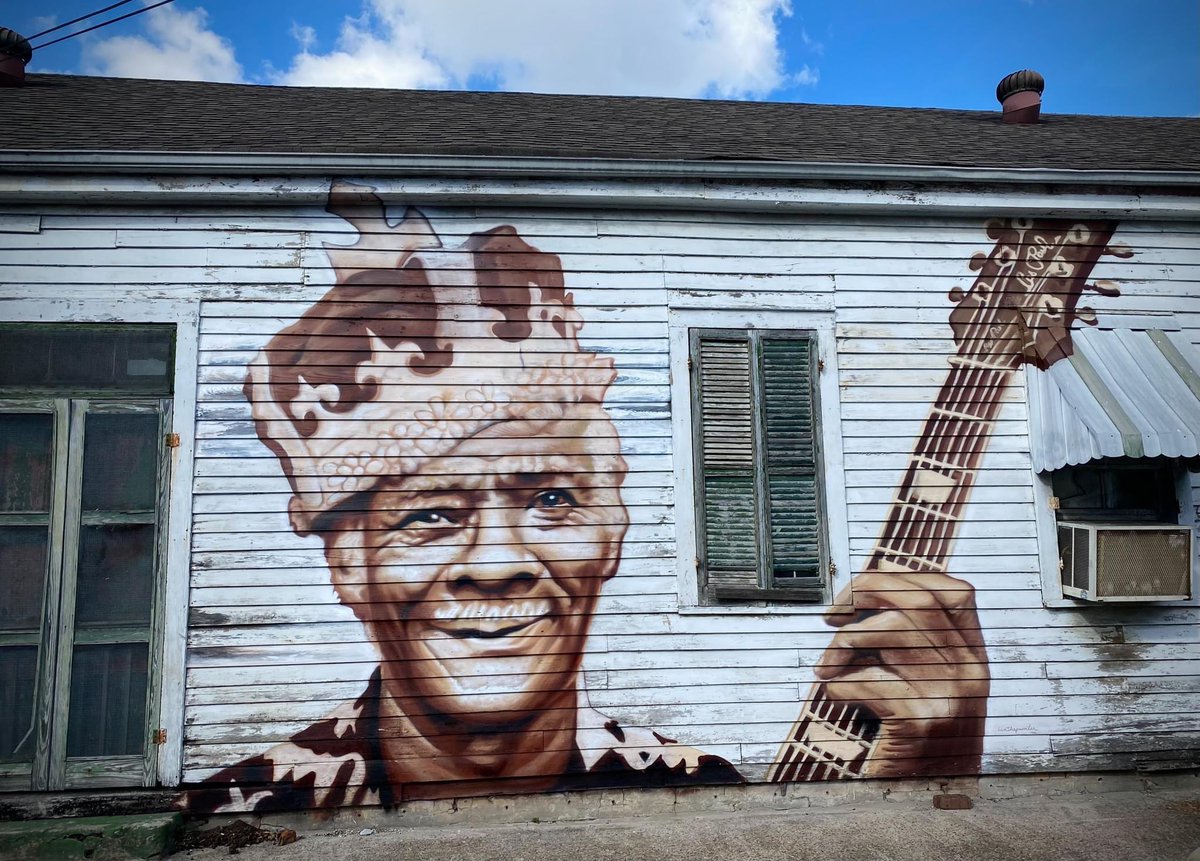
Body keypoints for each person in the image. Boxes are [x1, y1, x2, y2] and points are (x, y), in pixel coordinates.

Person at [180, 183, 742, 813]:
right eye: (431, 515)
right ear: (346, 564)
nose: (496, 565)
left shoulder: (697, 788)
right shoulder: (248, 806)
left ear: (613, 528)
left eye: (552, 500)